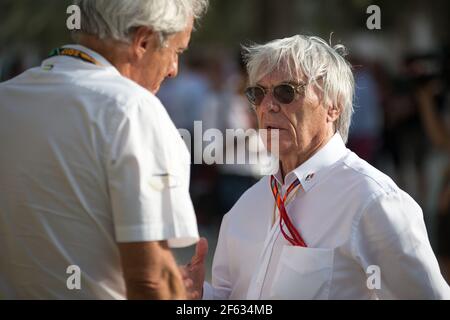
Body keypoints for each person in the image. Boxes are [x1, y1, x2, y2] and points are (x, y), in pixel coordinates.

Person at [181, 35, 450, 299]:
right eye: (257, 93)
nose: (268, 106)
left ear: (333, 107)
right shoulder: (246, 205)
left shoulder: (372, 200)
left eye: (286, 92)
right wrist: (200, 295)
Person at [0, 0, 208, 299]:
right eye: (177, 52)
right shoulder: (133, 109)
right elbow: (150, 282)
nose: (174, 70)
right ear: (144, 41)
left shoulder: (7, 97)